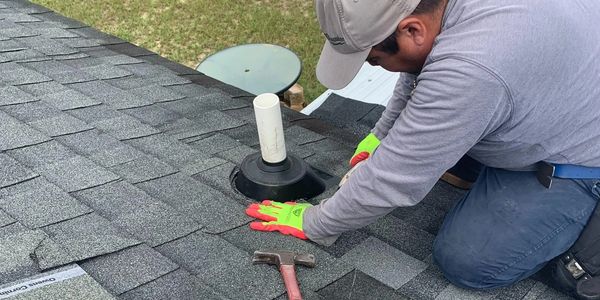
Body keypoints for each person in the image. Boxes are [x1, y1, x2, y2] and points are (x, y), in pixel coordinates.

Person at [245, 0, 600, 290]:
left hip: (579, 154)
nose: (378, 68)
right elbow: (420, 68)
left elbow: (395, 178)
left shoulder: (473, 67)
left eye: (375, 61)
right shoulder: (439, 14)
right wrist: (381, 137)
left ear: (412, 29)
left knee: (471, 261)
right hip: (553, 89)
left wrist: (317, 222)